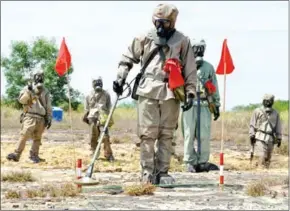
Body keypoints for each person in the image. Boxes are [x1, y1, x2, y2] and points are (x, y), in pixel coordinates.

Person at [112, 3, 197, 184]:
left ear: (172, 22)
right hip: (148, 89)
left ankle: (162, 172)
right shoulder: (144, 37)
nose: (160, 26)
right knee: (147, 134)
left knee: (167, 134)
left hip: (171, 92)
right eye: (157, 22)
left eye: (165, 22)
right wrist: (120, 78)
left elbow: (190, 69)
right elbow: (127, 59)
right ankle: (147, 172)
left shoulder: (182, 41)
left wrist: (190, 93)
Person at [182, 39, 221, 173]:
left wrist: (216, 105)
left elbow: (214, 87)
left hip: (204, 104)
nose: (199, 51)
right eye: (196, 48)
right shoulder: (184, 66)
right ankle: (189, 161)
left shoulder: (209, 67)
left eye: (201, 48)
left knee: (204, 134)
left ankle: (202, 161)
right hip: (188, 104)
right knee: (189, 133)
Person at [6, 70, 52, 163]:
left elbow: (48, 106)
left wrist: (49, 118)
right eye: (38, 75)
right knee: (24, 136)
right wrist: (28, 91)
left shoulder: (45, 90)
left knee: (37, 139)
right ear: (34, 77)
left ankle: (34, 156)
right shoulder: (27, 88)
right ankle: (17, 154)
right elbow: (22, 101)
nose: (40, 77)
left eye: (41, 76)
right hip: (30, 116)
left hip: (41, 118)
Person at [83, 77, 114, 162]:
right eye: (96, 83)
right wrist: (86, 117)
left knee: (105, 136)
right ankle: (94, 153)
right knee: (93, 136)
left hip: (103, 118)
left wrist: (109, 118)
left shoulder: (106, 94)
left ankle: (109, 155)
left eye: (99, 83)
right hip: (92, 117)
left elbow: (109, 107)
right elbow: (86, 108)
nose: (98, 84)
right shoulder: (88, 95)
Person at [249, 94, 282, 169]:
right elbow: (252, 124)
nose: (267, 103)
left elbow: (278, 126)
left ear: (272, 102)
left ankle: (265, 173)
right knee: (261, 156)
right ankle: (259, 171)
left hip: (270, 138)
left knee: (268, 159)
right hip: (259, 137)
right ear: (263, 101)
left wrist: (279, 138)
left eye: (269, 101)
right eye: (266, 101)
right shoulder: (257, 111)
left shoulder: (276, 113)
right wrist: (252, 134)